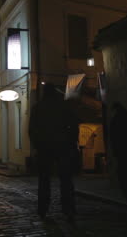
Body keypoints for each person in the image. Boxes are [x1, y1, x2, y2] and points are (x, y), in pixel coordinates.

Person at [28, 83, 79, 222]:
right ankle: (68, 209)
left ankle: (43, 209)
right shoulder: (64, 106)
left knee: (44, 180)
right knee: (66, 180)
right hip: (63, 146)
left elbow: (32, 130)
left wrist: (37, 145)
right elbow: (74, 125)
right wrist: (72, 142)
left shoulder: (37, 108)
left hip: (44, 147)